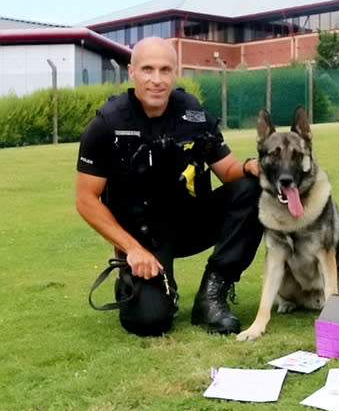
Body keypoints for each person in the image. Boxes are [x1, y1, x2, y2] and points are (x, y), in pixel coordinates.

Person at [76, 36, 263, 337]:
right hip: (143, 236)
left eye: (165, 70)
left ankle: (211, 296)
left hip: (190, 221)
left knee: (253, 189)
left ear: (175, 73)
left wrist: (250, 167)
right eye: (148, 69)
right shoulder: (107, 124)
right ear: (131, 72)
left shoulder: (192, 112)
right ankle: (134, 279)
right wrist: (132, 249)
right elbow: (86, 199)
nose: (157, 80)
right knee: (150, 322)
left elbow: (228, 171)